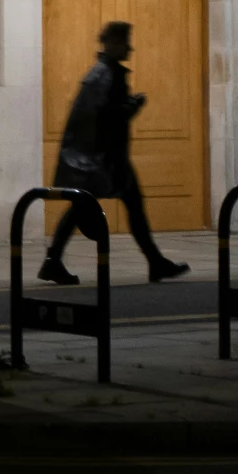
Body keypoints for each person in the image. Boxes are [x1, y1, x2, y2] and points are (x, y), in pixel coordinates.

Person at [39, 19, 190, 286]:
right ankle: (154, 262)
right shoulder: (108, 75)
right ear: (112, 43)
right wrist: (133, 106)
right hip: (102, 159)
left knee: (100, 206)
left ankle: (54, 261)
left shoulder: (99, 73)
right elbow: (108, 118)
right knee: (115, 206)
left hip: (98, 157)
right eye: (124, 43)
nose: (129, 49)